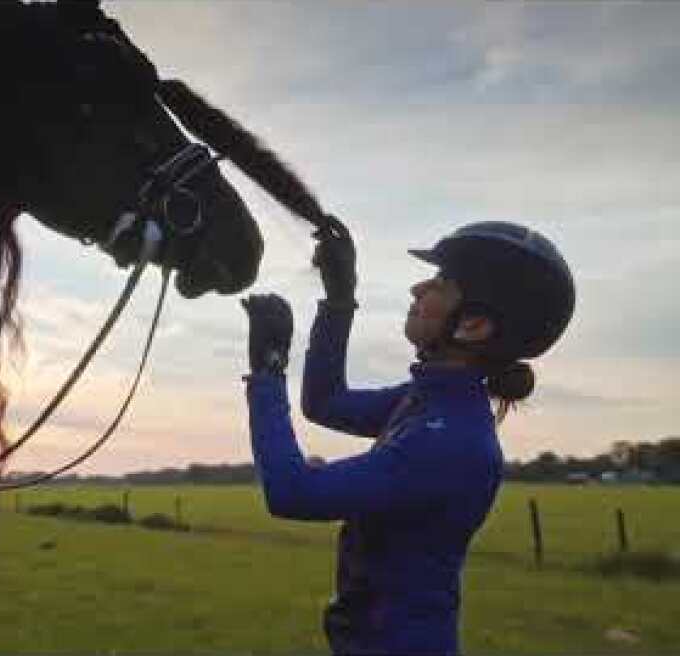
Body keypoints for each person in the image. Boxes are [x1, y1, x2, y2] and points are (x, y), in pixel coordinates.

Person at [240, 217, 574, 655]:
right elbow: (325, 402)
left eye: (440, 281)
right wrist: (340, 301)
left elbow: (291, 493)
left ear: (473, 325)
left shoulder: (450, 440)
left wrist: (267, 372)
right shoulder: (429, 400)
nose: (418, 290)